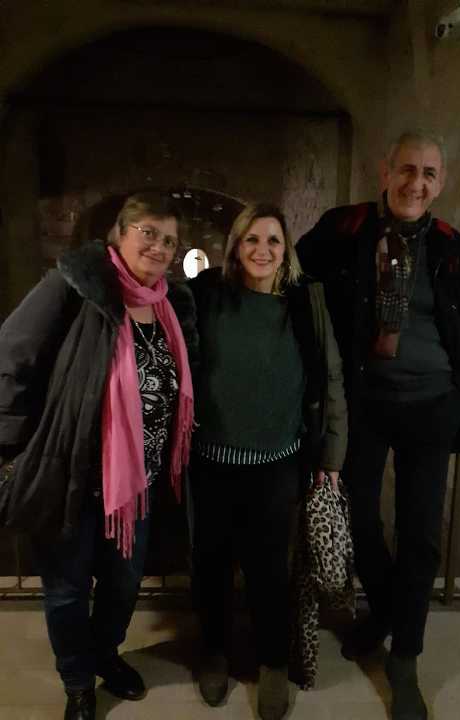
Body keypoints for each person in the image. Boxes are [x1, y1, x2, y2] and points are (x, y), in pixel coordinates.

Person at [295, 128, 460, 720]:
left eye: (429, 173)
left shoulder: (451, 246)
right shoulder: (344, 228)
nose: (416, 183)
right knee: (357, 522)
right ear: (385, 173)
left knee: (421, 535)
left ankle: (404, 658)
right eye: (407, 169)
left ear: (441, 183)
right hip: (363, 408)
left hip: (432, 408)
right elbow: (288, 276)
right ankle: (386, 611)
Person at [0, 190, 198, 720]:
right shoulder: (74, 286)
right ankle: (77, 683)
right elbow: (12, 354)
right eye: (148, 232)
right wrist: (11, 444)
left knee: (123, 583)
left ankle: (106, 654)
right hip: (70, 473)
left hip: (137, 485)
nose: (158, 247)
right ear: (120, 232)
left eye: (169, 240)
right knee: (67, 589)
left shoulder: (170, 304)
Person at [188, 203, 347, 720]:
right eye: (251, 239)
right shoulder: (207, 293)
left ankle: (272, 661)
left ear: (286, 250)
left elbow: (331, 377)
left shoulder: (304, 300)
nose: (262, 249)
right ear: (236, 246)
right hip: (212, 460)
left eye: (273, 240)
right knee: (212, 561)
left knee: (267, 569)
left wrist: (331, 452)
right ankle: (214, 649)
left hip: (277, 461)